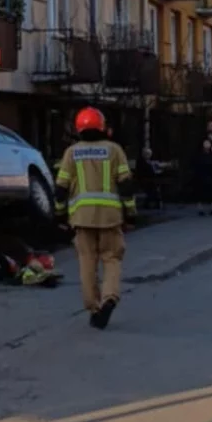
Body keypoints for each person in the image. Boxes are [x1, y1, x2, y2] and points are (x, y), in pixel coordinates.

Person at [53, 107, 136, 330]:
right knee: (112, 259)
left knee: (87, 262)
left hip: (81, 218)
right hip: (110, 217)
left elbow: (60, 189)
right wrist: (131, 213)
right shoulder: (114, 150)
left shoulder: (71, 153)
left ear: (78, 128)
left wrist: (59, 214)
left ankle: (93, 307)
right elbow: (126, 185)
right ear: (102, 126)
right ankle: (110, 297)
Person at [194, 139, 212, 216]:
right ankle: (200, 208)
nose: (207, 145)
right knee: (200, 192)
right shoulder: (199, 154)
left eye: (208, 143)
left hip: (211, 174)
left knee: (211, 192)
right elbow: (196, 164)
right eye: (205, 143)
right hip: (201, 175)